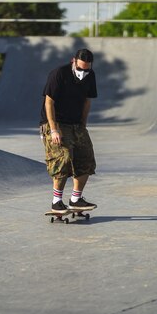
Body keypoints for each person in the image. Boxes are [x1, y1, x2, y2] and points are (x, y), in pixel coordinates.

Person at [40, 48, 98, 213]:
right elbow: (49, 102)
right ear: (73, 61)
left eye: (86, 69)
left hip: (76, 123)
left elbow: (87, 101)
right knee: (63, 157)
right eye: (80, 69)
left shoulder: (90, 75)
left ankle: (76, 199)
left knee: (86, 158)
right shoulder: (59, 74)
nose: (83, 72)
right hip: (54, 123)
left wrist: (83, 125)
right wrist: (53, 130)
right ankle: (56, 201)